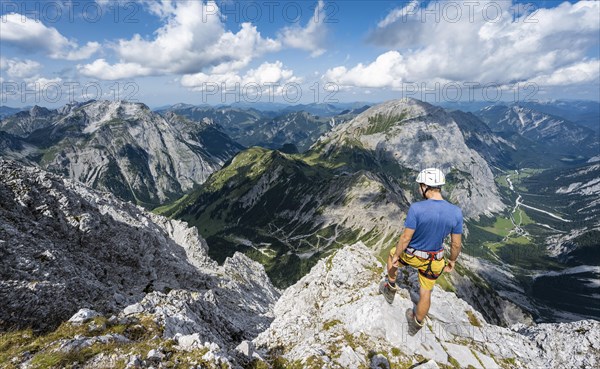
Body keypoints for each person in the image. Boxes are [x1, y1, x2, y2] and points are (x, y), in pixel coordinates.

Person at [379, 168, 463, 335]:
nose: (419, 189)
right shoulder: (456, 212)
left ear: (425, 186)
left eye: (420, 186)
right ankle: (416, 323)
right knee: (426, 292)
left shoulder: (417, 209)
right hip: (435, 260)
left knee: (391, 255)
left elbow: (405, 238)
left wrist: (396, 256)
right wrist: (452, 261)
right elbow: (456, 244)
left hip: (412, 255)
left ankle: (390, 287)